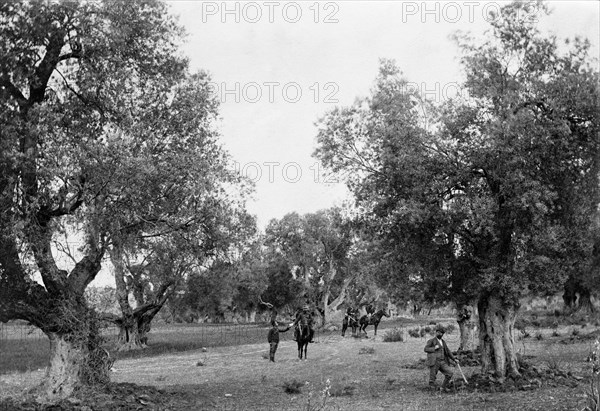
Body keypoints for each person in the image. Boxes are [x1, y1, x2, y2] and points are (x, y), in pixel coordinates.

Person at [424, 324, 458, 391]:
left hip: (442, 361)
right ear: (436, 332)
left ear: (443, 334)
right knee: (432, 377)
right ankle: (431, 390)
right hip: (434, 361)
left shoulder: (443, 342)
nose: (439, 334)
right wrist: (434, 348)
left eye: (441, 333)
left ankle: (443, 387)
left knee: (449, 373)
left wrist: (454, 359)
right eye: (438, 332)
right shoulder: (431, 341)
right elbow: (426, 349)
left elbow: (448, 351)